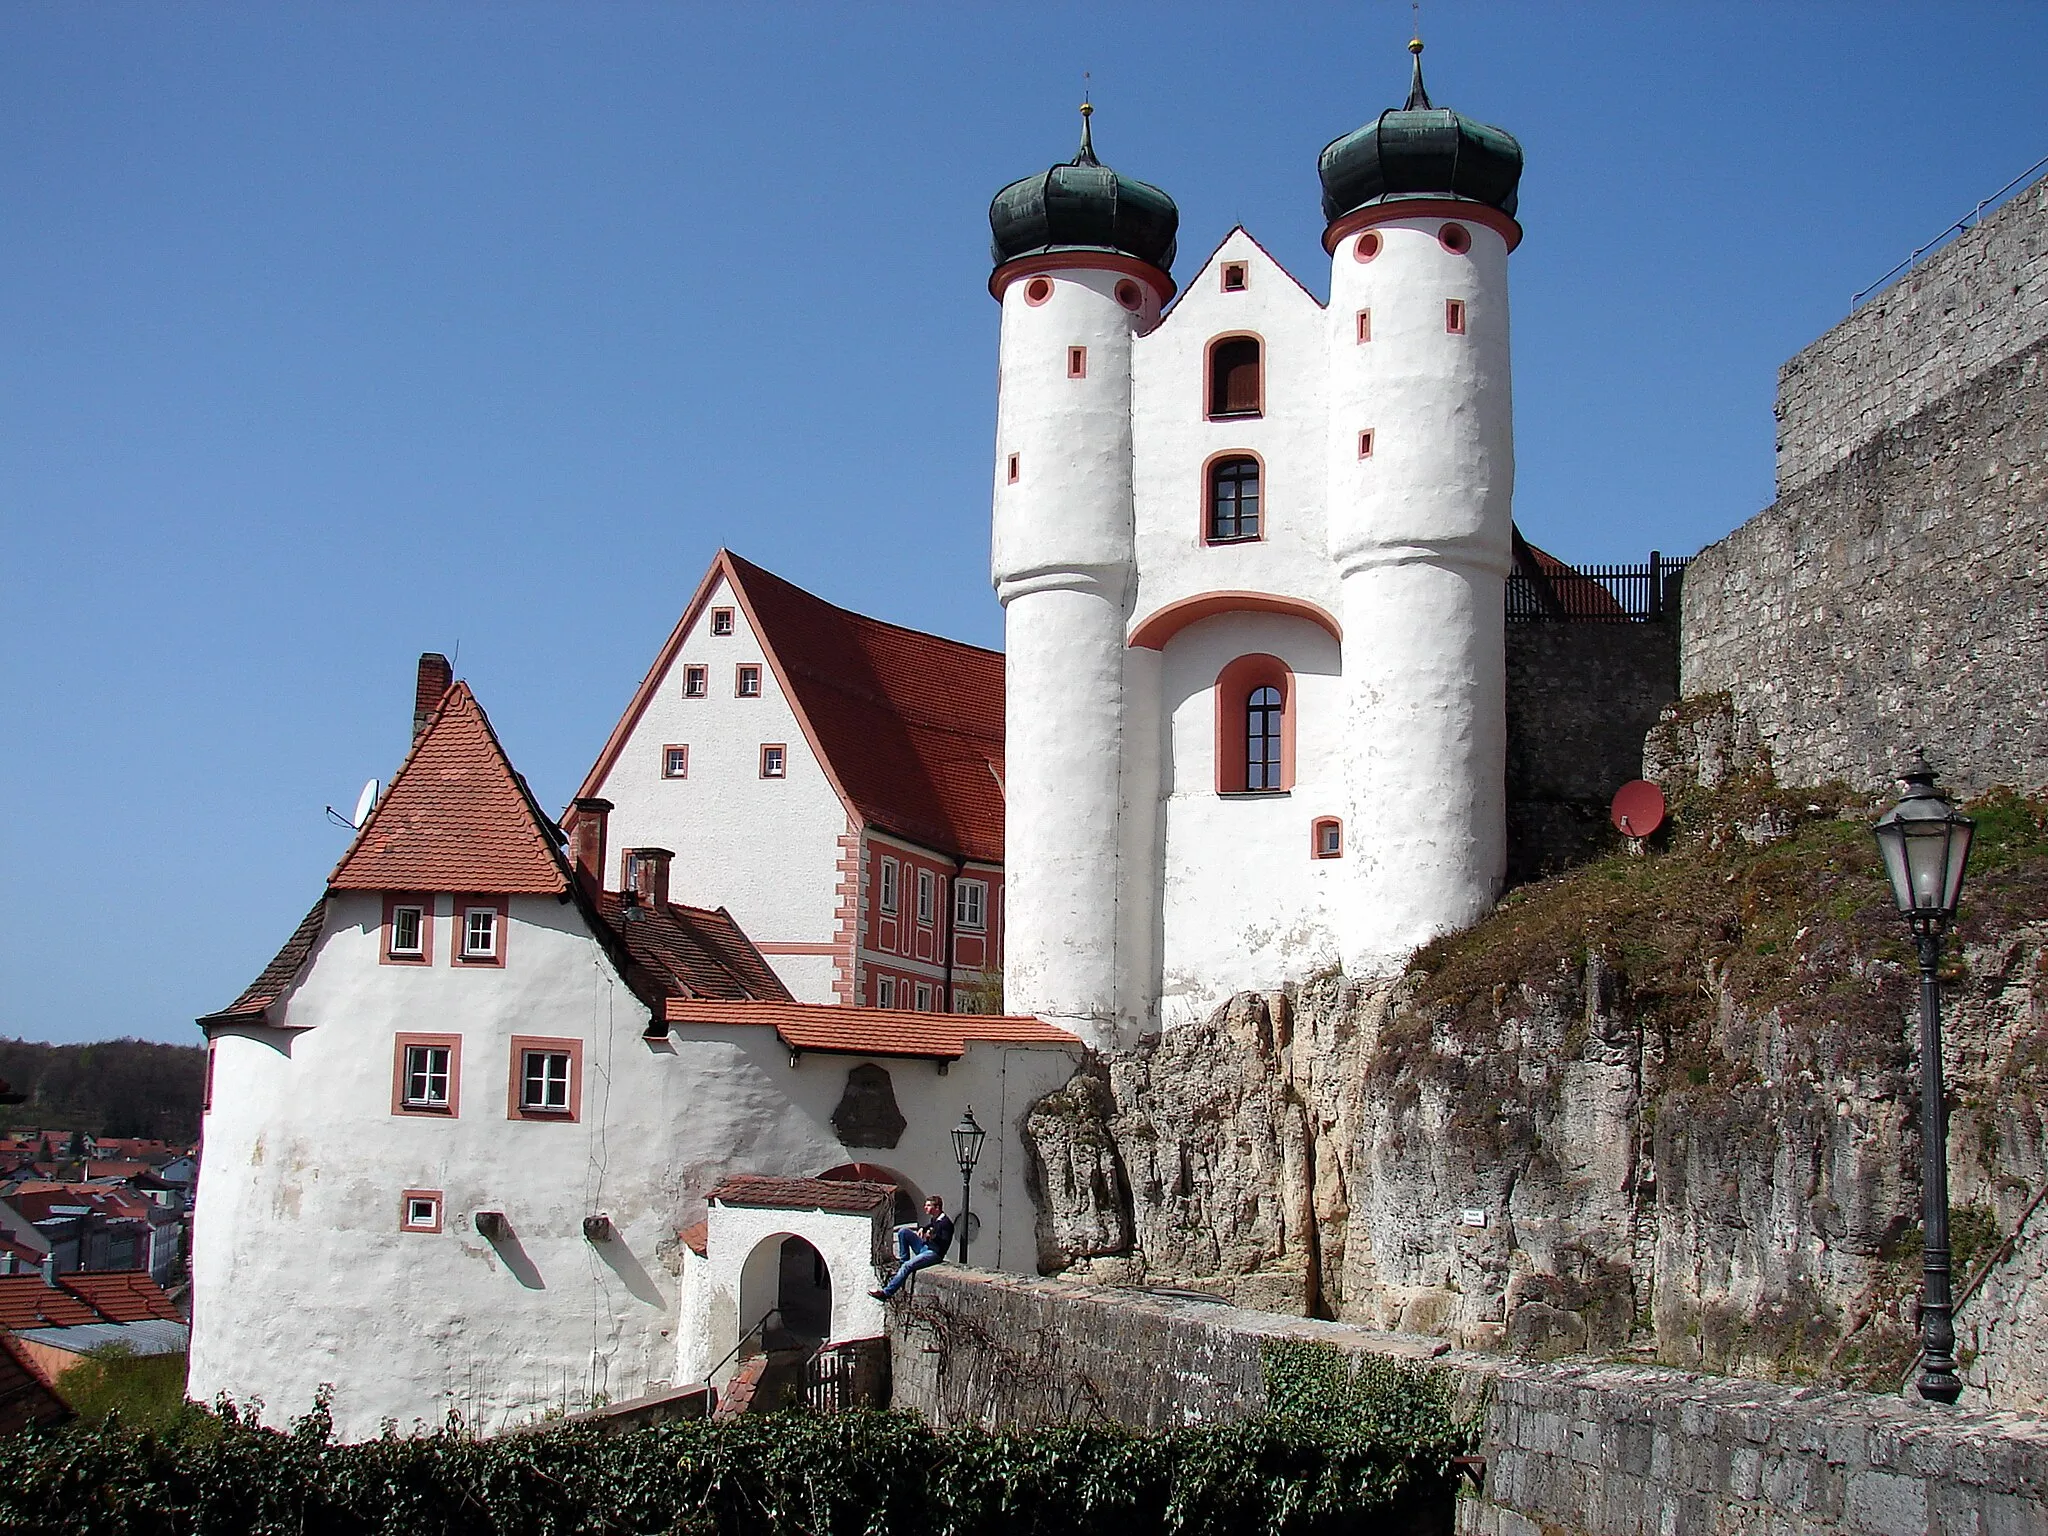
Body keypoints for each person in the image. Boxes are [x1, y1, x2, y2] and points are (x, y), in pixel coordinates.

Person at [870, 1194, 954, 1300]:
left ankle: (886, 1293)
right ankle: (902, 1261)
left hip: (934, 1253)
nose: (925, 1208)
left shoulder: (946, 1224)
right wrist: (923, 1229)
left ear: (936, 1208)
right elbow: (930, 1226)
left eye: (928, 1206)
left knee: (907, 1266)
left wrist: (931, 1237)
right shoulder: (935, 1219)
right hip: (925, 1247)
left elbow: (943, 1243)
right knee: (903, 1232)